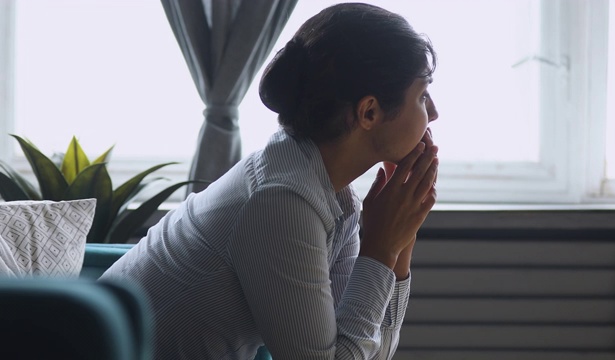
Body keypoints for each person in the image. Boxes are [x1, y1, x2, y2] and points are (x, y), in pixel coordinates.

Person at [99, 2, 439, 359]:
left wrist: (399, 243)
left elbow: (364, 348)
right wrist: (381, 250)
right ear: (369, 111)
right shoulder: (281, 201)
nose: (433, 113)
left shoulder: (334, 195)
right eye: (423, 95)